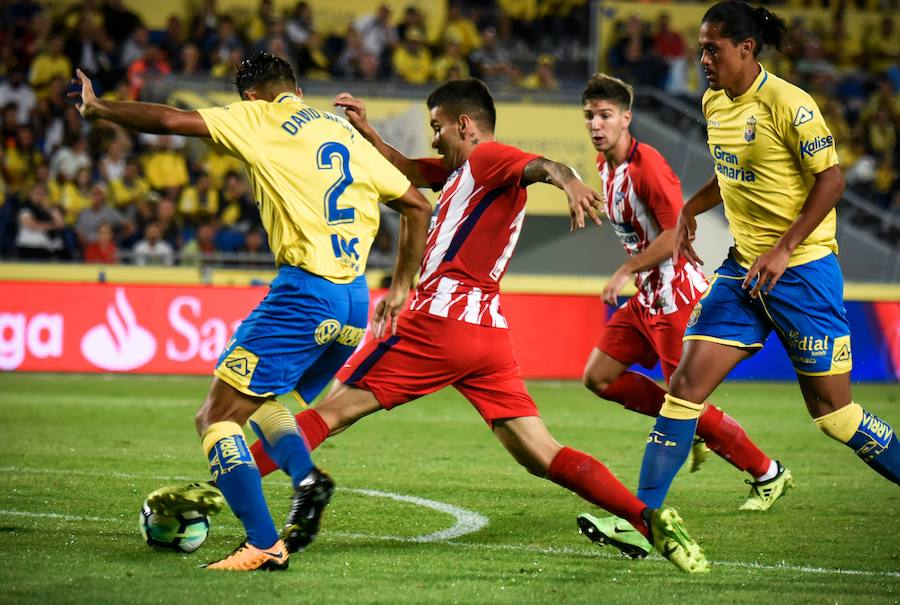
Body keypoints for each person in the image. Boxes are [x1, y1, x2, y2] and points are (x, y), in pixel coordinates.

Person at [246, 78, 709, 573]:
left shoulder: (488, 159)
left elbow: (543, 166)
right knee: (541, 453)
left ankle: (216, 488)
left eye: (437, 127)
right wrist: (366, 131)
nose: (433, 138)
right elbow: (401, 168)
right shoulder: (460, 174)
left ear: (464, 125)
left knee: (332, 410)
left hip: (440, 321)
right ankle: (650, 521)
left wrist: (570, 181)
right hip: (486, 334)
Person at [71, 51, 433, 571]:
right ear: (297, 89)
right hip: (353, 302)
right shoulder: (340, 130)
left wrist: (100, 108)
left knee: (215, 417)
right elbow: (418, 204)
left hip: (306, 292)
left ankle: (264, 543)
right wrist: (401, 286)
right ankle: (305, 478)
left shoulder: (257, 116)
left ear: (249, 95)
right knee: (259, 401)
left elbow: (172, 120)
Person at [633, 0, 899, 531]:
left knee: (836, 418)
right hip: (742, 272)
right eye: (701, 48)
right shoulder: (714, 102)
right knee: (684, 389)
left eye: (713, 49)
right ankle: (642, 517)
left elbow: (832, 180)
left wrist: (783, 248)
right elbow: (729, 170)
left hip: (802, 272)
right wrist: (689, 208)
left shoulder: (789, 102)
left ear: (746, 49)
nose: (703, 58)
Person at [575, 72, 794, 558]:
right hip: (645, 301)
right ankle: (689, 425)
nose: (596, 124)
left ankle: (767, 472)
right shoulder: (604, 165)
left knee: (685, 402)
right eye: (590, 115)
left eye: (606, 115)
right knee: (600, 377)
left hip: (675, 302)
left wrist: (626, 269)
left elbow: (675, 231)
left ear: (627, 118)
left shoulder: (646, 166)